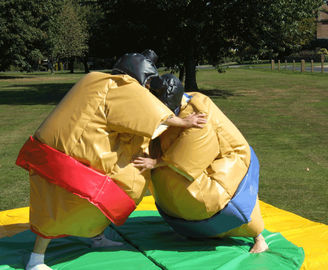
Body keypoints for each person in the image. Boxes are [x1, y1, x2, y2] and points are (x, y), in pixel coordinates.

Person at [16, 53, 206, 270]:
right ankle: (36, 259)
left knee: (108, 191)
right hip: (66, 160)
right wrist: (183, 121)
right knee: (60, 206)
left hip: (56, 154)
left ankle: (94, 236)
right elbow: (150, 114)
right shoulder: (119, 86)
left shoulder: (94, 80)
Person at [133, 73, 269, 253]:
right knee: (170, 184)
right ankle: (197, 230)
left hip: (228, 162)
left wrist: (156, 162)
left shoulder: (199, 111)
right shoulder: (174, 109)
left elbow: (190, 154)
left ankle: (259, 237)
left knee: (209, 194)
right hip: (177, 165)